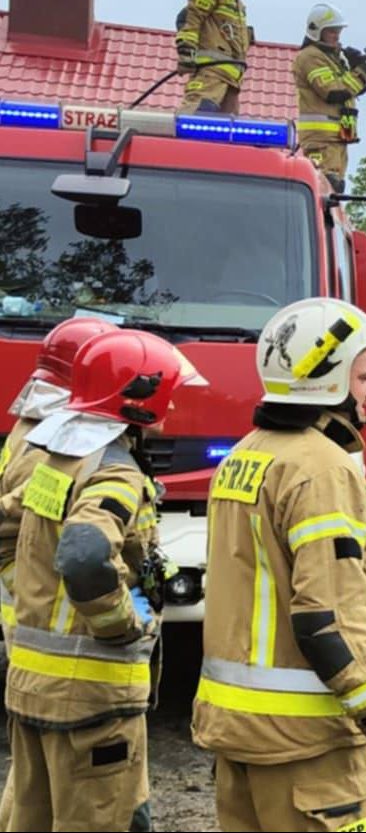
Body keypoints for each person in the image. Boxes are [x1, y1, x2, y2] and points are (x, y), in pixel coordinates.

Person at [192, 297, 366, 832]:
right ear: (327, 378)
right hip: (306, 744)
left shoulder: (245, 455)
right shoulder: (324, 471)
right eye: (361, 376)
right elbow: (325, 617)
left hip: (238, 734)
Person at [5, 329, 206, 831]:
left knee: (32, 817)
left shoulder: (56, 459)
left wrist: (30, 592)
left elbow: (15, 536)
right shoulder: (116, 473)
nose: (175, 407)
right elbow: (85, 554)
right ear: (139, 400)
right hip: (92, 697)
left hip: (33, 686)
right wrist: (121, 623)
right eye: (170, 395)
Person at [0, 317, 116, 830]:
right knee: (73, 797)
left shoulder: (35, 425)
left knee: (29, 793)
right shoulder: (56, 442)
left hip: (32, 631)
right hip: (54, 637)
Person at [175, 0, 274, 115]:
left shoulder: (237, 2)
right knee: (195, 121)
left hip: (232, 82)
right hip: (211, 75)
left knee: (227, 135)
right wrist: (186, 52)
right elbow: (191, 18)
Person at [292, 4, 366, 192]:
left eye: (338, 31)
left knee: (335, 190)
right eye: (332, 31)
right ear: (317, 31)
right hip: (321, 139)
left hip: (339, 137)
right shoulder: (310, 57)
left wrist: (363, 72)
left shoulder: (332, 58)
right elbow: (334, 92)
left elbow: (352, 90)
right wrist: (362, 72)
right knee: (325, 187)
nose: (337, 36)